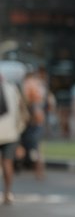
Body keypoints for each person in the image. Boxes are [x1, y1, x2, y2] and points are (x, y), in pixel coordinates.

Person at [0, 71, 28, 204]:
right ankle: (8, 192)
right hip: (11, 133)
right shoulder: (12, 89)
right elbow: (22, 111)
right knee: (7, 162)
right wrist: (19, 131)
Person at [20, 65, 47, 180]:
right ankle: (38, 170)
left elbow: (26, 100)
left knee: (29, 146)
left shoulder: (29, 83)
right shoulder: (40, 83)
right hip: (37, 119)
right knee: (36, 148)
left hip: (31, 119)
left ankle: (36, 169)